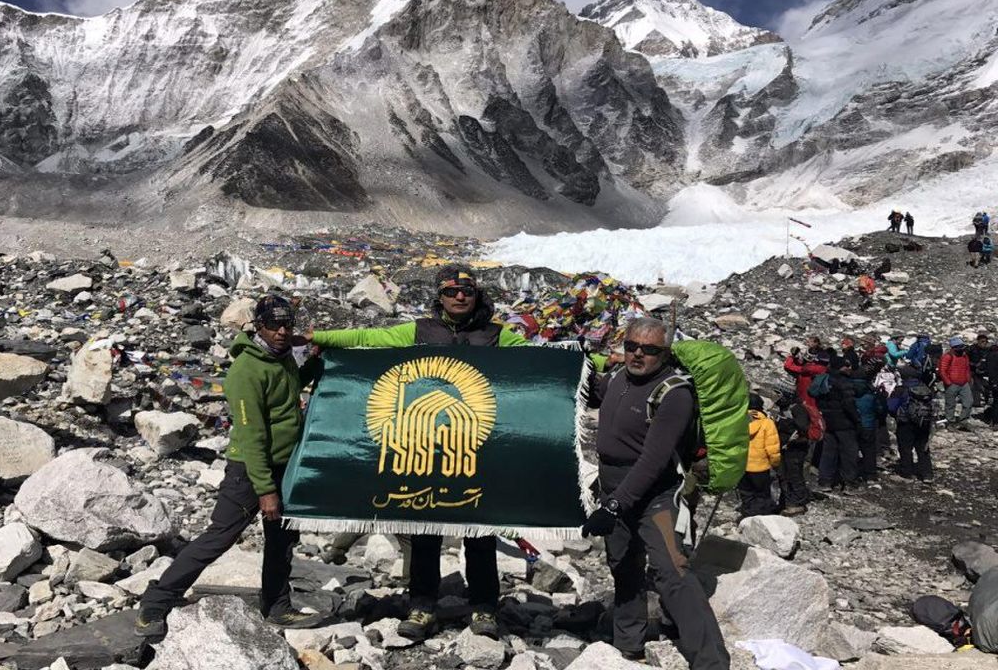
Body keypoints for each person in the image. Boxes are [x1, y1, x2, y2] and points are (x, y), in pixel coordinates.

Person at [300, 264, 535, 641]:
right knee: (425, 527)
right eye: (451, 291)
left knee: (480, 530)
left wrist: (597, 363)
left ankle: (485, 608)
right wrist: (323, 337)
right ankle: (422, 605)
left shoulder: (497, 335)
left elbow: (541, 363)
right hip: (425, 446)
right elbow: (370, 339)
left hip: (475, 446)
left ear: (477, 295)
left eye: (467, 291)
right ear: (439, 297)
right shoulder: (419, 330)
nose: (460, 297)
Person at [135, 295, 324, 637]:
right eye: (273, 325)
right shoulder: (246, 370)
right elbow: (251, 436)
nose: (281, 332)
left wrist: (316, 362)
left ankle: (278, 607)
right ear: (258, 326)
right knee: (219, 537)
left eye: (287, 325)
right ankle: (157, 600)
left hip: (284, 464)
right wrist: (265, 490)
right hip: (249, 469)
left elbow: (291, 390)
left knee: (282, 540)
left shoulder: (280, 359)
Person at [582, 317, 730, 669]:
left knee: (671, 571)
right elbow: (591, 393)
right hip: (612, 488)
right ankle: (628, 644)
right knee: (622, 565)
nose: (637, 354)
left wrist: (616, 505)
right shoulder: (619, 378)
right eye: (631, 346)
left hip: (657, 497)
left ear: (665, 353)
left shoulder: (674, 394)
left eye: (649, 350)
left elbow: (653, 461)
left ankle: (711, 662)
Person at [817, 355, 862, 491]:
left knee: (828, 452)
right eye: (846, 365)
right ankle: (849, 483)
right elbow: (848, 404)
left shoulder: (825, 379)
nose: (849, 368)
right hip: (844, 422)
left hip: (828, 421)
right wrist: (857, 419)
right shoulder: (844, 382)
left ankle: (825, 481)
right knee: (849, 453)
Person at [739, 394, 781, 517]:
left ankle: (747, 516)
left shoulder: (738, 421)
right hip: (760, 467)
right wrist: (775, 464)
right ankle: (761, 517)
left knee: (746, 493)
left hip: (741, 465)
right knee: (762, 495)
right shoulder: (767, 423)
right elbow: (772, 448)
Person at [891, 374, 936, 483]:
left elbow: (891, 406)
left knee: (905, 448)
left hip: (906, 423)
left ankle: (907, 473)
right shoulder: (926, 389)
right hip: (923, 422)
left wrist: (896, 415)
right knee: (922, 448)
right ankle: (927, 474)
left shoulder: (901, 389)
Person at [775, 393, 812, 515]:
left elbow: (802, 427)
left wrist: (786, 422)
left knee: (794, 475)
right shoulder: (788, 409)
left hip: (796, 448)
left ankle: (798, 503)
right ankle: (787, 501)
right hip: (787, 447)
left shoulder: (798, 409)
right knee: (784, 475)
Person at [853, 375, 884, 484]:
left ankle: (852, 474)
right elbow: (880, 409)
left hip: (853, 426)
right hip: (868, 426)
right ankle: (870, 475)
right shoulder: (871, 396)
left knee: (851, 450)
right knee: (869, 451)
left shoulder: (849, 395)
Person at [940, 337, 974, 426]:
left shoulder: (965, 356)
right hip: (952, 384)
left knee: (969, 402)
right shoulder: (947, 356)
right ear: (954, 347)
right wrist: (948, 382)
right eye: (960, 347)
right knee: (950, 404)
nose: (962, 348)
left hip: (964, 383)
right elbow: (942, 370)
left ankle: (963, 421)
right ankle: (950, 421)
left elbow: (967, 369)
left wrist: (969, 380)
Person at [969, 334, 992, 421]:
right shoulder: (972, 349)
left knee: (986, 387)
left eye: (985, 342)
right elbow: (967, 360)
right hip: (974, 372)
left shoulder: (988, 350)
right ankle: (976, 402)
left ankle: (986, 401)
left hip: (985, 372)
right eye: (982, 341)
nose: (984, 343)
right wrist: (975, 365)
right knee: (976, 387)